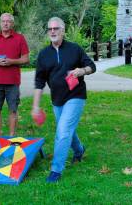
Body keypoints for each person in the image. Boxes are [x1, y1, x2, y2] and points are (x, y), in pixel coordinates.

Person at [31, 17, 96, 183]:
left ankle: (56, 170)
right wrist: (36, 106)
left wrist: (82, 70)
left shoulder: (74, 49)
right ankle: (79, 150)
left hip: (76, 96)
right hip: (57, 99)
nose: (52, 31)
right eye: (50, 29)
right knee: (67, 130)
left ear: (63, 30)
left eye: (56, 28)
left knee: (63, 131)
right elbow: (39, 82)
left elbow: (92, 66)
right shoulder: (44, 55)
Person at [0, 13, 29, 137]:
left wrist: (11, 61)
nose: (5, 23)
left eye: (8, 21)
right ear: (0, 23)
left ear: (12, 23)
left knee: (13, 111)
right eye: (3, 21)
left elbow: (26, 59)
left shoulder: (20, 38)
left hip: (13, 82)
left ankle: (11, 138)